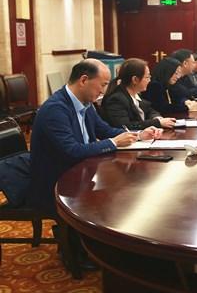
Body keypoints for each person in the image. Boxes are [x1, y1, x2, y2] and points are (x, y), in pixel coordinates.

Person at [29, 59, 161, 212]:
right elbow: (72, 150)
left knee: (128, 195)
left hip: (83, 175)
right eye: (103, 85)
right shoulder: (55, 109)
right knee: (114, 205)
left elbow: (105, 130)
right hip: (57, 185)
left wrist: (138, 135)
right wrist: (113, 142)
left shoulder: (86, 103)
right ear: (84, 80)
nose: (103, 91)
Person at [101, 58, 177, 130]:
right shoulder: (116, 99)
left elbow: (150, 110)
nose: (149, 80)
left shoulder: (136, 94)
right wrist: (157, 123)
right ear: (135, 79)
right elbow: (125, 126)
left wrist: (157, 118)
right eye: (147, 77)